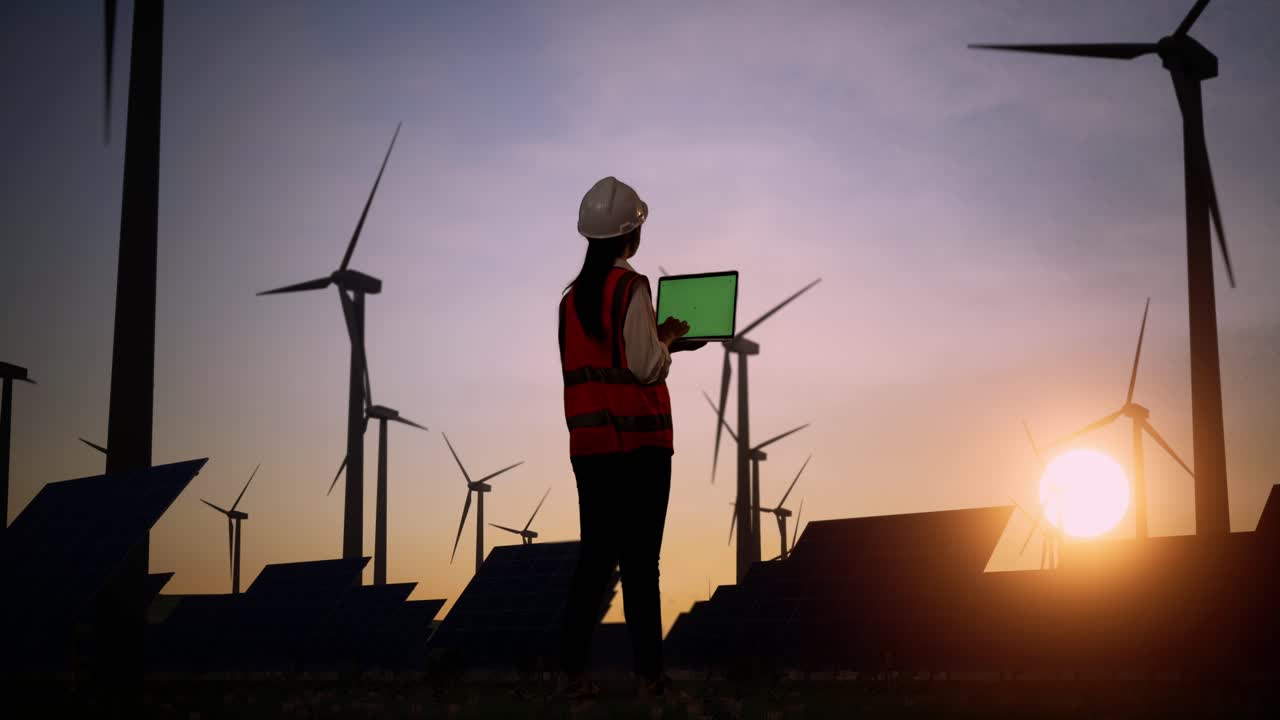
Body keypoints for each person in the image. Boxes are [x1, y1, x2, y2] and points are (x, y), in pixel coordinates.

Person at [556, 176, 703, 698]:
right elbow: (643, 367)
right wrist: (667, 340)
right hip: (640, 449)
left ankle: (572, 673)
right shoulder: (631, 287)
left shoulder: (570, 302)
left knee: (594, 559)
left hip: (590, 449)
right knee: (642, 565)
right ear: (630, 237)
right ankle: (649, 676)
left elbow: (600, 363)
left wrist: (654, 344)